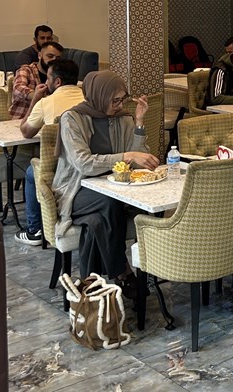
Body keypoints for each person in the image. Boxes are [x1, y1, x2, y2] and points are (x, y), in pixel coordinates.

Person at [52, 71, 159, 293]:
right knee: (109, 203)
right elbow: (83, 163)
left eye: (122, 99)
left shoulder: (122, 117)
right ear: (99, 96)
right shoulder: (71, 119)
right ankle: (123, 271)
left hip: (113, 188)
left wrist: (139, 122)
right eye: (115, 100)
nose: (120, 105)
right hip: (76, 190)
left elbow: (138, 161)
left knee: (95, 222)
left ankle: (90, 284)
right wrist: (126, 156)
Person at [14, 59, 85, 245]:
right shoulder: (89, 98)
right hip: (86, 164)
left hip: (57, 168)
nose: (47, 82)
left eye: (49, 78)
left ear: (58, 82)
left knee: (31, 172)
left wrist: (35, 100)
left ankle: (35, 230)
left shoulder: (46, 102)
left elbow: (26, 132)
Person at [9, 41, 63, 119]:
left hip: (46, 119)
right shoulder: (26, 70)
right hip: (22, 118)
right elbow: (18, 88)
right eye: (50, 56)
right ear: (40, 56)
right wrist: (37, 95)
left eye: (58, 58)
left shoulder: (58, 75)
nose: (54, 60)